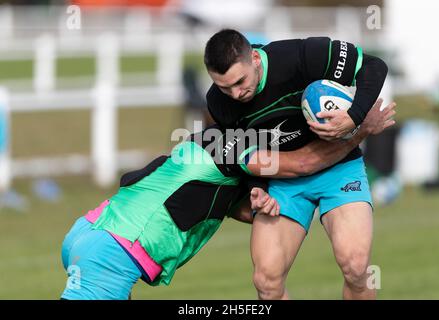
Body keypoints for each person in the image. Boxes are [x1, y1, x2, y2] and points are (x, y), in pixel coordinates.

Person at [59, 101, 393, 300]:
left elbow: (200, 200)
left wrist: (255, 202)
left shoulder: (200, 151)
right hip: (115, 250)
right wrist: (361, 131)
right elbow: (304, 163)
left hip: (88, 229)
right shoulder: (229, 143)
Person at [204, 29, 391, 299]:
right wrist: (255, 189)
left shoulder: (301, 57)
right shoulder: (218, 103)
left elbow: (374, 66)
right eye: (224, 87)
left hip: (338, 168)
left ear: (255, 58)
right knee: (266, 282)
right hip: (282, 182)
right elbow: (245, 152)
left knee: (355, 265)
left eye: (240, 81)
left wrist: (354, 116)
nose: (235, 93)